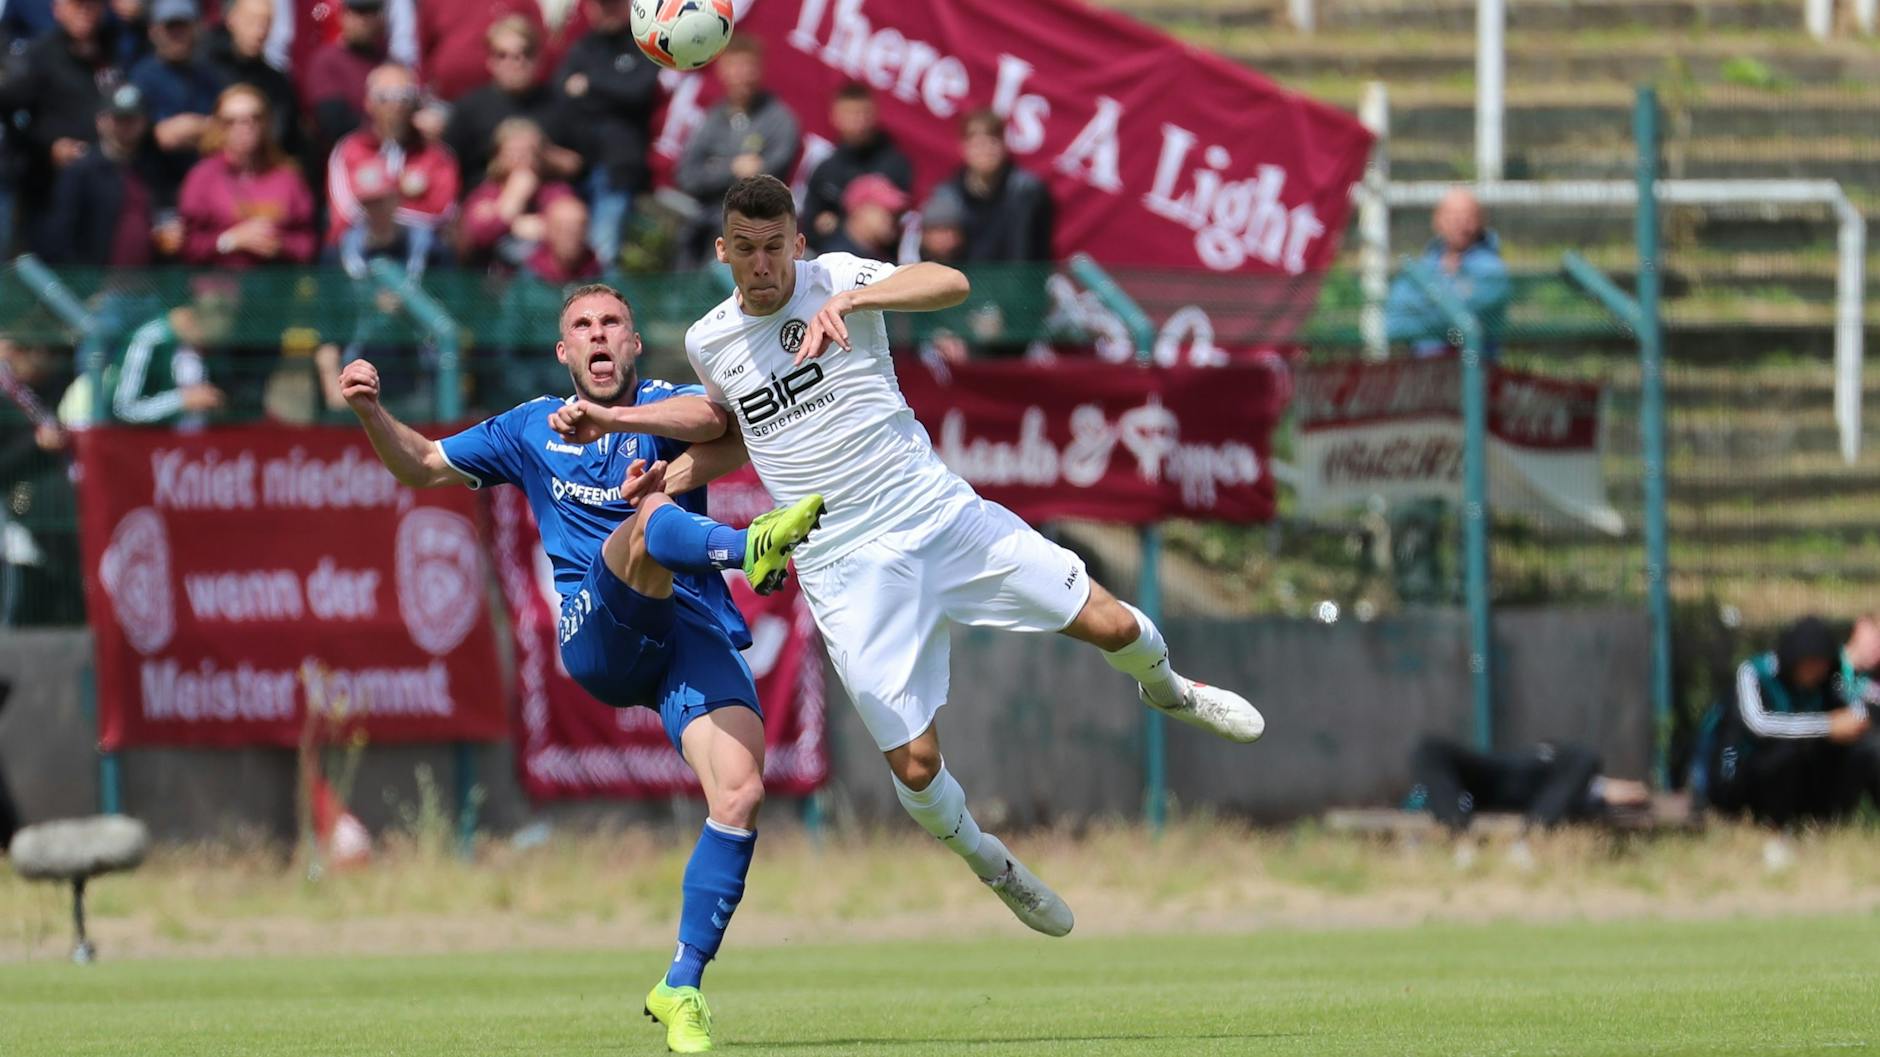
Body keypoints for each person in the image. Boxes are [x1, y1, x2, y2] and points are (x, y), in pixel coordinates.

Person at [577, 178, 1264, 1039]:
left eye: (774, 245)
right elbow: (741, 434)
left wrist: (858, 294)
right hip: (842, 563)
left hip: (936, 514)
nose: (762, 265)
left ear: (797, 239)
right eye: (744, 249)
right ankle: (990, 859)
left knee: (1114, 623)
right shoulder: (713, 340)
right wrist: (670, 471)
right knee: (914, 767)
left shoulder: (836, 276)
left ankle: (1169, 689)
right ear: (723, 252)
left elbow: (951, 284)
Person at [337, 281, 823, 1055]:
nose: (599, 336)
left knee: (741, 790)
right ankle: (747, 550)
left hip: (682, 631)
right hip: (597, 634)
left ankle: (683, 984)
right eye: (583, 327)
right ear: (565, 351)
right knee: (650, 513)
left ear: (634, 343)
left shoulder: (659, 405)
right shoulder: (531, 426)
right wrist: (370, 411)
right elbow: (425, 463)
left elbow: (719, 421)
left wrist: (618, 421)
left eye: (613, 324)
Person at [1696, 616, 1880, 827]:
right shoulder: (1754, 673)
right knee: (1789, 753)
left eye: (1822, 665)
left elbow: (1852, 707)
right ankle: (1772, 824)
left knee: (1868, 750)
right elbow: (1758, 724)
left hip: (1801, 783)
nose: (1817, 671)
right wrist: (1827, 726)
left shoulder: (1826, 682)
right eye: (1811, 664)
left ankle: (1830, 821)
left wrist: (1861, 718)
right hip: (1737, 776)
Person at [0, 0, 129, 247]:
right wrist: (48, 147)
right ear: (58, 8)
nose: (85, 10)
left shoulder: (112, 50)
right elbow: (8, 110)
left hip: (104, 185)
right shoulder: (38, 55)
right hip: (50, 188)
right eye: (76, 4)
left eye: (92, 5)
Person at [674, 36, 798, 265]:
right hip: (702, 225)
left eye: (747, 67)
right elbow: (688, 175)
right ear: (722, 71)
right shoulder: (713, 117)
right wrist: (731, 169)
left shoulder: (780, 120)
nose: (741, 75)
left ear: (759, 70)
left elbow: (767, 181)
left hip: (751, 232)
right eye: (734, 67)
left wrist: (715, 167)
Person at [551, 0, 658, 265]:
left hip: (617, 168)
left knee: (602, 253)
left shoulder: (641, 45)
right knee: (564, 253)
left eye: (613, 5)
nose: (606, 11)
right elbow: (561, 92)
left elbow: (638, 91)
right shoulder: (583, 46)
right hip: (576, 167)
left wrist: (590, 85)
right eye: (601, 5)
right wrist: (609, 91)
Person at [179, 84, 317, 269]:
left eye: (254, 118)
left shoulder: (287, 177)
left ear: (267, 123)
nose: (244, 127)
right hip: (218, 288)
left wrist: (281, 244)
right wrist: (230, 240)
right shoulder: (203, 177)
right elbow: (187, 245)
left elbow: (308, 242)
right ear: (218, 126)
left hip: (278, 287)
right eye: (232, 121)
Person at [325, 63, 458, 245]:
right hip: (362, 242)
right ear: (368, 102)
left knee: (423, 240)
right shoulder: (349, 150)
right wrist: (390, 215)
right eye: (384, 97)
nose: (395, 105)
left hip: (421, 247)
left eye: (404, 96)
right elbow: (345, 210)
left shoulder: (436, 156)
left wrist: (388, 214)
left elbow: (442, 212)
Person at [440, 16, 578, 189]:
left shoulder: (559, 104)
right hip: (485, 201)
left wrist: (540, 156)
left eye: (525, 53)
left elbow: (580, 164)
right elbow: (448, 168)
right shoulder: (469, 109)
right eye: (503, 55)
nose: (516, 62)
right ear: (490, 61)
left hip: (549, 199)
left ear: (539, 57)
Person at [1408, 736, 1651, 832]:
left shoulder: (1579, 772)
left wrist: (1603, 788)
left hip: (1541, 792)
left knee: (1586, 755)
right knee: (1428, 748)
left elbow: (1636, 794)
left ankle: (1532, 835)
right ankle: (1457, 833)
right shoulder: (1541, 752)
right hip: (1488, 776)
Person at [41, 84, 166, 266]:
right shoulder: (80, 172)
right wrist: (83, 286)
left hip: (148, 285)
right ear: (101, 122)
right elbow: (60, 235)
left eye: (133, 119)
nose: (126, 126)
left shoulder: (152, 169)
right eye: (119, 119)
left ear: (144, 123)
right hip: (97, 287)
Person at [1384, 187, 1512, 358]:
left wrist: (1424, 308)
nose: (1461, 222)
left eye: (1469, 216)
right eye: (1453, 215)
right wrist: (1454, 289)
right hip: (1424, 371)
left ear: (1481, 221)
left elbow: (1464, 318)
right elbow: (1395, 321)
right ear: (1437, 220)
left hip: (1476, 370)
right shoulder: (1420, 266)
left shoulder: (1492, 268)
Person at [126, 0, 226, 204]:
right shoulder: (142, 76)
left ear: (196, 29)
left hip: (205, 189)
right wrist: (204, 128)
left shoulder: (208, 77)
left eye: (183, 27)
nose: (177, 35)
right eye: (170, 27)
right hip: (156, 190)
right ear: (154, 31)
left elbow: (223, 132)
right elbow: (167, 137)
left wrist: (196, 128)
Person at [801, 81, 912, 251]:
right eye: (851, 114)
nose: (858, 122)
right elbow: (809, 222)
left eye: (864, 113)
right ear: (835, 116)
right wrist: (827, 225)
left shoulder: (894, 165)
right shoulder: (826, 169)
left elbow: (889, 227)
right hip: (827, 256)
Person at [105, 281, 232, 427]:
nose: (203, 348)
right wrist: (181, 400)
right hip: (147, 444)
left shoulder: (192, 343)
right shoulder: (146, 341)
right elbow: (124, 409)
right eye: (203, 339)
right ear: (189, 319)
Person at [936, 109, 1054, 264]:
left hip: (1014, 281)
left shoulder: (1026, 191)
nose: (985, 151)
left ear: (1004, 145)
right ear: (964, 147)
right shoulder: (948, 194)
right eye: (978, 144)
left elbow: (1024, 251)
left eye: (992, 142)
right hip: (963, 280)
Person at [456, 117, 574, 270]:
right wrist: (515, 198)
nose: (520, 158)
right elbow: (479, 236)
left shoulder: (555, 191)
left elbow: (569, 234)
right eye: (512, 152)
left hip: (543, 280)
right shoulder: (486, 192)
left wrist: (498, 215)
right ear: (498, 155)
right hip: (491, 281)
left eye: (527, 152)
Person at [205, 0, 302, 163]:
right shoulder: (204, 68)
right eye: (251, 21)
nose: (260, 31)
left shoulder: (277, 82)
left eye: (266, 23)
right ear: (231, 19)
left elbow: (285, 135)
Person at [303, 0, 389, 164]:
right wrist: (386, 130)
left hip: (389, 159)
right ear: (343, 16)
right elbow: (334, 123)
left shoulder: (388, 62)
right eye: (357, 13)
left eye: (371, 13)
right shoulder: (327, 61)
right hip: (343, 160)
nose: (364, 20)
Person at [815, 173, 904, 261]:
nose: (893, 219)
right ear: (860, 210)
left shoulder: (877, 255)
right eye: (887, 211)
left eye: (895, 214)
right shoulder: (837, 258)